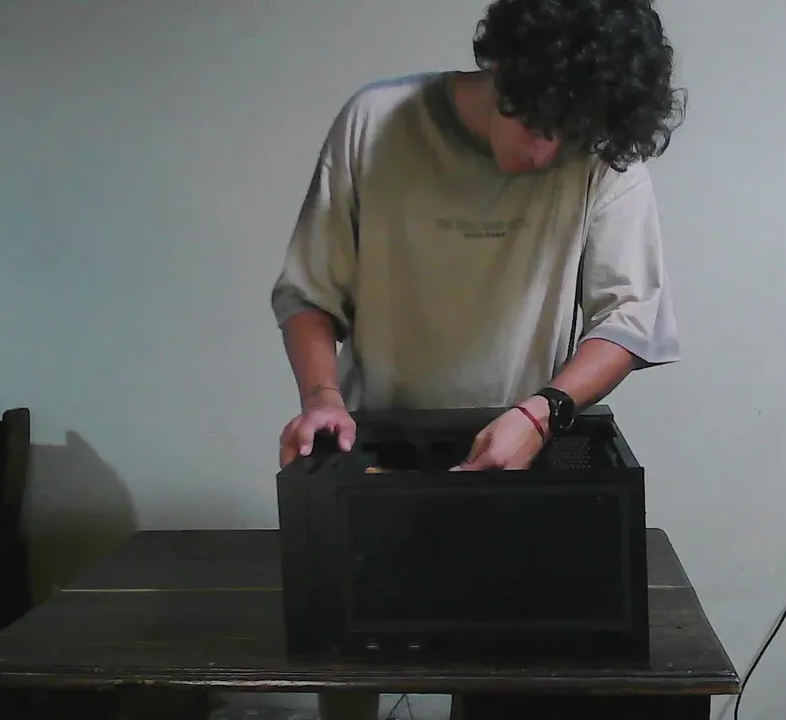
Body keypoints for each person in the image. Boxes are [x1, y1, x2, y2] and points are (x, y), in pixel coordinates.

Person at [269, 0, 684, 716]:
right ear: (501, 65)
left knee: (502, 673)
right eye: (537, 124)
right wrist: (320, 399)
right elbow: (309, 290)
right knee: (349, 658)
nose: (546, 154)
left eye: (570, 135)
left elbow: (630, 317)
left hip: (519, 452)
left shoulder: (604, 153)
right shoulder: (375, 123)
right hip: (377, 451)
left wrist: (543, 413)